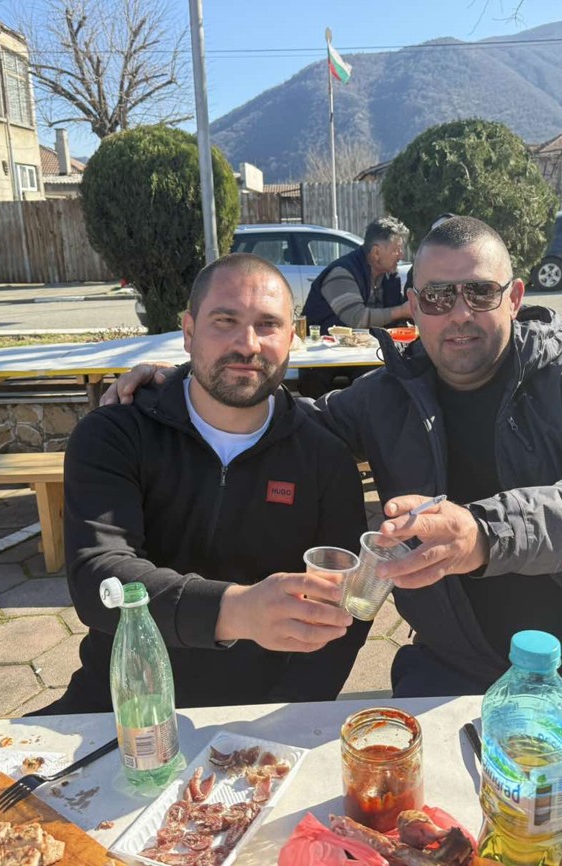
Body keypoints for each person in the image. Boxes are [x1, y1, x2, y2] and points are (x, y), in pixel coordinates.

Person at [105, 218, 562, 696]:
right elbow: (286, 420)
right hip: (454, 668)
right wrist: (188, 382)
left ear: (514, 297)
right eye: (438, 297)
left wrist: (483, 534)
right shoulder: (384, 397)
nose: (459, 314)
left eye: (480, 293)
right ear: (413, 306)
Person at [45, 253, 370, 714]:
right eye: (225, 321)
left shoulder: (324, 458)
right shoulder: (116, 433)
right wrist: (236, 611)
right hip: (121, 703)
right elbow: (99, 578)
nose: (248, 344)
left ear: (291, 338)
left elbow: (345, 607)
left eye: (268, 325)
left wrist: (289, 712)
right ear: (189, 331)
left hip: (264, 712)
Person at [302, 216, 411, 330]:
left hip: (364, 341)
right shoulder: (342, 273)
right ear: (376, 252)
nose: (401, 255)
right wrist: (401, 311)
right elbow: (357, 319)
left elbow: (396, 321)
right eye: (396, 250)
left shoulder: (390, 276)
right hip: (321, 340)